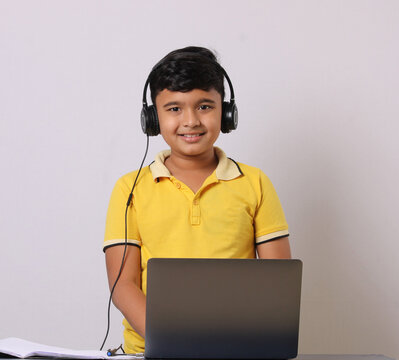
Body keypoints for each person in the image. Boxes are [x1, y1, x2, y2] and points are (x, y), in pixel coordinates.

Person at [102, 46, 291, 354]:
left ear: (226, 113)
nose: (190, 121)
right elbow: (123, 286)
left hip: (236, 349)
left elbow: (278, 285)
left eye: (204, 106)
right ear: (152, 118)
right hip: (151, 350)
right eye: (174, 109)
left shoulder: (255, 183)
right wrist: (172, 342)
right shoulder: (130, 188)